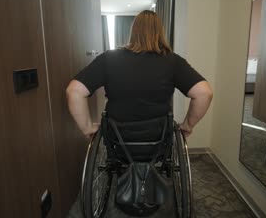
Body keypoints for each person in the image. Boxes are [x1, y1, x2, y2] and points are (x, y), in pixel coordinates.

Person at [66, 10, 212, 139]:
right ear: (160, 32)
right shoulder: (172, 61)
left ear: (133, 31)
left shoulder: (108, 58)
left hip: (118, 136)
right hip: (159, 137)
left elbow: (74, 91)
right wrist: (187, 125)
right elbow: (204, 93)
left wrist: (87, 128)